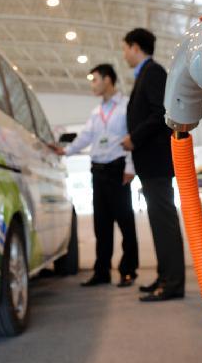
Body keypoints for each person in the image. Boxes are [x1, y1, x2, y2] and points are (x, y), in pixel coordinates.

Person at [52, 64, 139, 287]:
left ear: (108, 79)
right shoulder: (96, 112)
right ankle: (102, 271)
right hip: (98, 170)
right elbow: (85, 137)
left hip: (118, 169)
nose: (93, 84)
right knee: (101, 224)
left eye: (95, 79)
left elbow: (132, 136)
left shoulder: (126, 106)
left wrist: (130, 167)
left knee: (125, 222)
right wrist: (66, 150)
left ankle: (128, 270)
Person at [121, 28, 186, 302]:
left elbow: (161, 113)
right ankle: (164, 277)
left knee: (164, 223)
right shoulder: (146, 75)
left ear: (136, 47)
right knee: (159, 223)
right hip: (151, 165)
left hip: (156, 162)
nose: (124, 54)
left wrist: (133, 138)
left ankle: (172, 283)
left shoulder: (153, 73)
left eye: (125, 48)